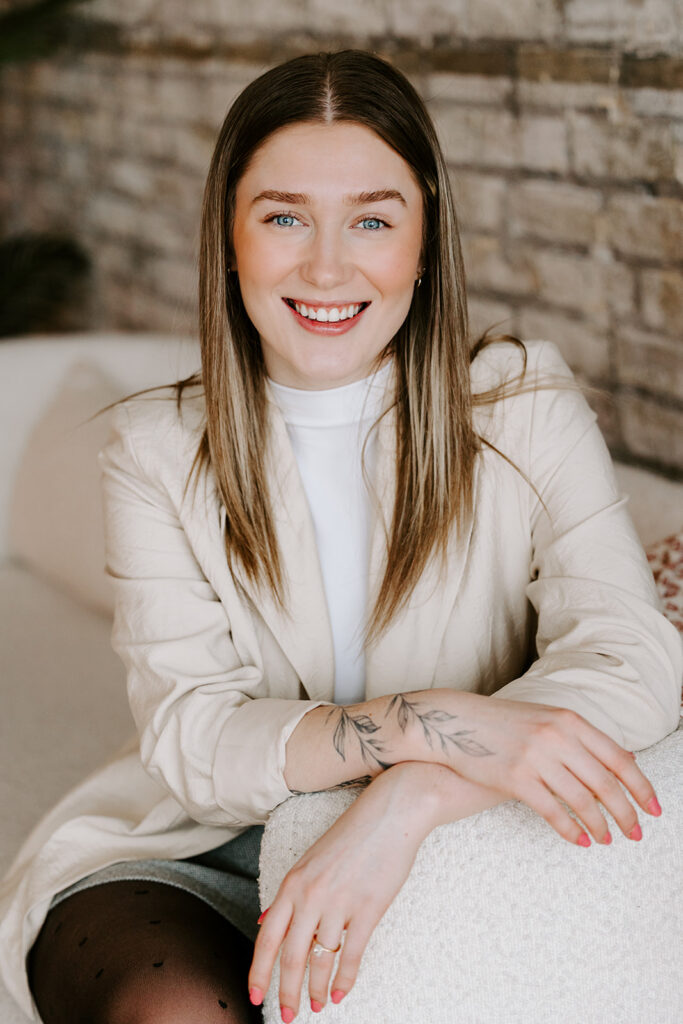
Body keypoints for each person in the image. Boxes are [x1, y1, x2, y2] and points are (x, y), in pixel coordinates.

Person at [1, 49, 681, 1024]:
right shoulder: (155, 448)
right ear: (229, 239)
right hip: (199, 843)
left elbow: (630, 659)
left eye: (370, 219)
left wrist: (406, 799)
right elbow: (192, 737)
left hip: (433, 856)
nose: (327, 266)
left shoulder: (521, 402)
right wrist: (429, 723)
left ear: (423, 241)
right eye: (283, 217)